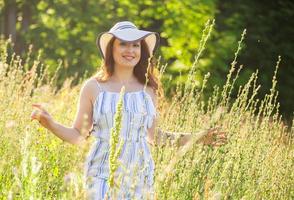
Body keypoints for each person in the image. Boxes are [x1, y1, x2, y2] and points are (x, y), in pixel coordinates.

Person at [31, 21, 227, 199]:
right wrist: (50, 124)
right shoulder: (93, 87)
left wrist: (198, 137)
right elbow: (78, 135)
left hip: (139, 178)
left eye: (136, 45)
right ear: (111, 49)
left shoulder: (148, 89)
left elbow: (156, 137)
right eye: (123, 44)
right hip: (100, 174)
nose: (130, 50)